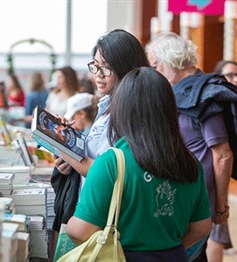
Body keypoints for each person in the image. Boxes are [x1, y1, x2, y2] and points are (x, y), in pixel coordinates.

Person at [66, 67, 212, 260]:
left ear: (122, 109)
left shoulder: (112, 163)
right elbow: (202, 228)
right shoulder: (190, 163)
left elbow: (79, 231)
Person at [146, 32, 236, 262]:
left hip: (198, 205)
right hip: (182, 201)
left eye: (155, 66)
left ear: (170, 61)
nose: (155, 74)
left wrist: (220, 205)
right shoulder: (183, 93)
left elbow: (223, 155)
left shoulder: (204, 94)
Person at [51, 29, 149, 234]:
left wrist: (68, 153)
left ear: (126, 68)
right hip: (93, 210)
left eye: (107, 68)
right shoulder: (107, 105)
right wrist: (69, 147)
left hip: (104, 221)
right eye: (95, 66)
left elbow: (111, 174)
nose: (98, 74)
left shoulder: (129, 113)